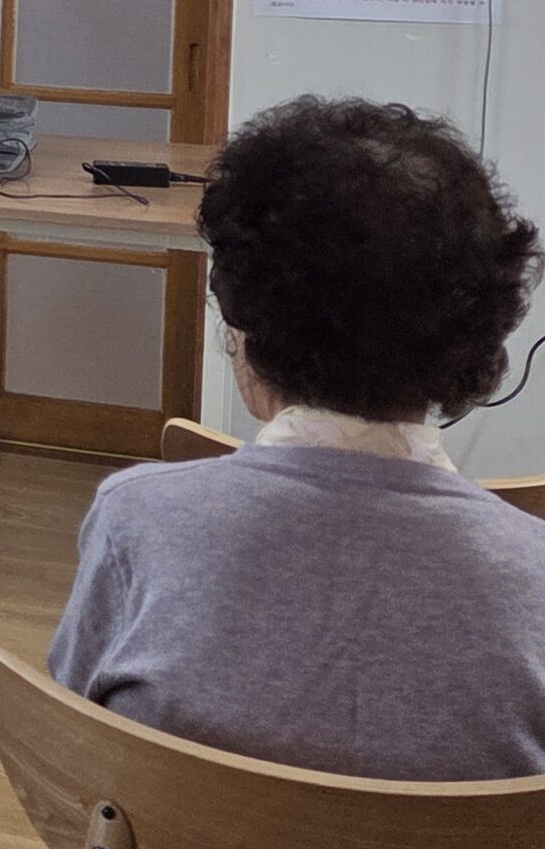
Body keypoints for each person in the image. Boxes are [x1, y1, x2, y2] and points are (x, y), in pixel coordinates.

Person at [50, 97, 545, 776]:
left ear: (246, 321)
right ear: (480, 329)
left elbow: (72, 742)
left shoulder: (137, 517)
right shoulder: (533, 576)